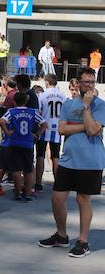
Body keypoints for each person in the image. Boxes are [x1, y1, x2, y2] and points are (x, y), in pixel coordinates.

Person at [39, 66, 105, 258]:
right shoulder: (68, 105)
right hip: (69, 160)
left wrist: (86, 107)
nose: (90, 85)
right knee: (56, 199)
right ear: (78, 83)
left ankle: (83, 242)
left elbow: (94, 131)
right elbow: (61, 130)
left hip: (91, 160)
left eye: (92, 82)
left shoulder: (100, 105)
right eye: (86, 82)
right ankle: (61, 235)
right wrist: (85, 126)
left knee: (82, 199)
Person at [0, 93, 46, 201]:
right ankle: (28, 193)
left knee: (16, 169)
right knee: (28, 169)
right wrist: (37, 134)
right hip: (28, 142)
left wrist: (7, 132)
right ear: (26, 101)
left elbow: (2, 121)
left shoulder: (11, 112)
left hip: (15, 142)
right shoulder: (32, 112)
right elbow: (44, 124)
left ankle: (17, 192)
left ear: (14, 101)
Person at [35, 74, 66, 190]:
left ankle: (38, 183)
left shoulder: (42, 95)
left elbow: (38, 112)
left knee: (40, 155)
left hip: (44, 127)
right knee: (55, 156)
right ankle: (57, 183)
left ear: (47, 82)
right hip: (57, 128)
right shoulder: (63, 96)